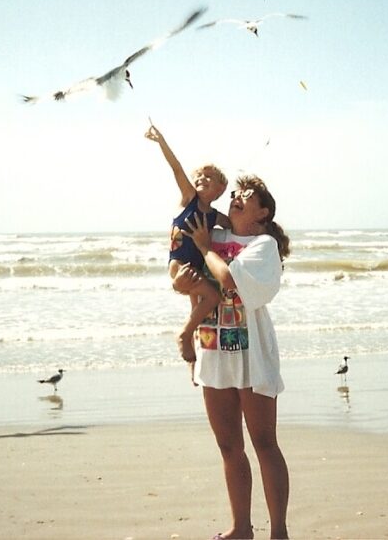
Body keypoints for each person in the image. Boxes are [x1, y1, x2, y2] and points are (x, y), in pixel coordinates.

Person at [176, 174, 291, 540]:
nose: (237, 196)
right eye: (237, 192)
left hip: (252, 355)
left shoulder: (263, 245)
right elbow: (188, 269)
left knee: (264, 443)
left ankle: (279, 532)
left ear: (264, 212)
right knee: (229, 446)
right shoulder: (217, 234)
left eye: (248, 195)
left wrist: (206, 248)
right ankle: (242, 527)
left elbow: (228, 280)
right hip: (213, 349)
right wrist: (181, 280)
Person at [145, 122, 230, 369]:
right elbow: (176, 168)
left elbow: (236, 224)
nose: (201, 178)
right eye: (199, 176)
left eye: (209, 177)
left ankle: (194, 365)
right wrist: (161, 140)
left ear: (220, 189)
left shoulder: (215, 216)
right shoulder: (188, 199)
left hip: (196, 267)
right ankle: (183, 336)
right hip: (180, 265)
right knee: (212, 297)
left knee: (198, 313)